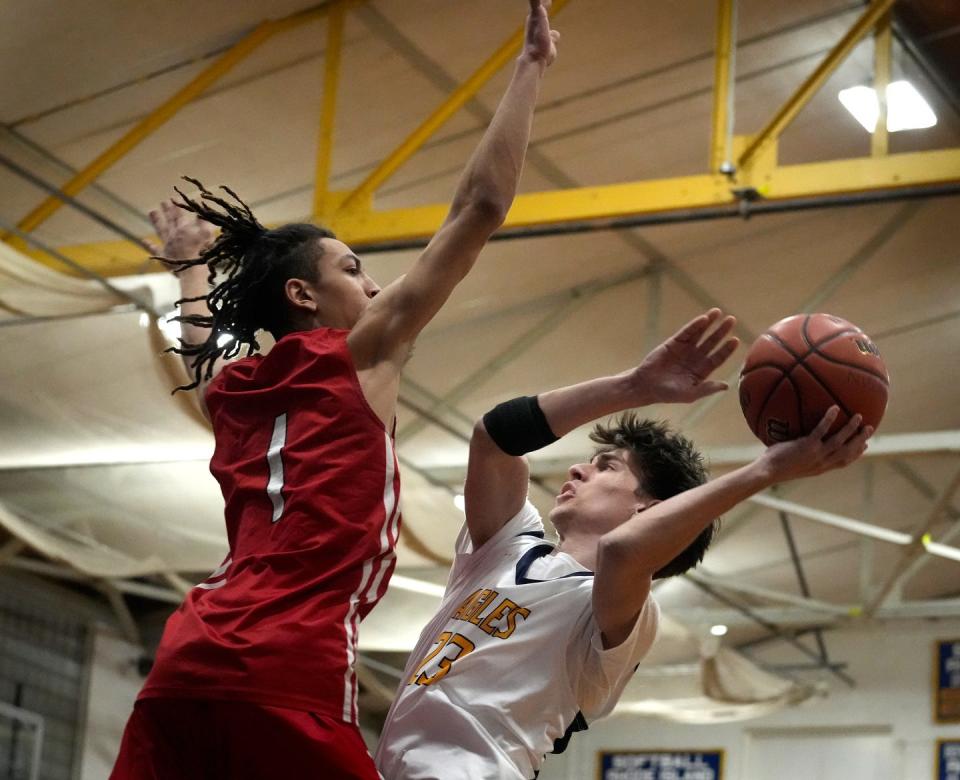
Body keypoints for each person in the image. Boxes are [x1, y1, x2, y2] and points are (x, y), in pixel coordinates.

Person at [111, 3, 560, 778]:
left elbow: (194, 339)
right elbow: (480, 208)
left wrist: (186, 264)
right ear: (302, 297)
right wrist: (529, 69)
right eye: (352, 269)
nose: (376, 282)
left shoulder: (233, 388)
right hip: (287, 665)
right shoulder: (362, 354)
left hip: (186, 661)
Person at [375, 308, 872, 780]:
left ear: (646, 508)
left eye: (606, 466)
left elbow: (624, 552)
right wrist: (633, 386)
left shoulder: (624, 613)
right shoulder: (504, 549)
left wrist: (767, 469)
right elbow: (494, 436)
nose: (576, 468)